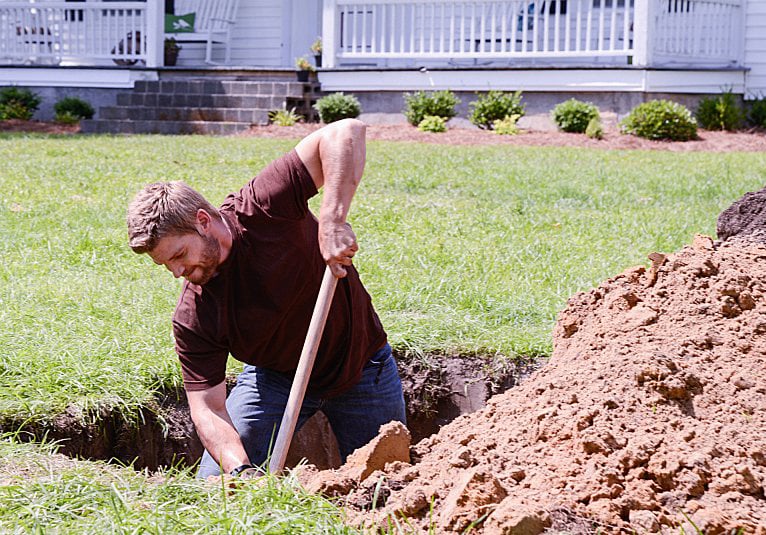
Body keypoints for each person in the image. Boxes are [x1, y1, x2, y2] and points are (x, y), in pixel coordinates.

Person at [127, 119, 406, 479]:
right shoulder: (194, 314)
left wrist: (332, 220)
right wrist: (239, 468)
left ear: (202, 221)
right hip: (274, 379)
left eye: (179, 255)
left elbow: (345, 132)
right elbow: (208, 408)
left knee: (390, 485)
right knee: (216, 484)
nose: (177, 272)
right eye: (165, 264)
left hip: (363, 366)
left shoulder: (261, 208)